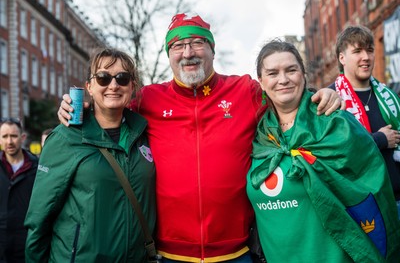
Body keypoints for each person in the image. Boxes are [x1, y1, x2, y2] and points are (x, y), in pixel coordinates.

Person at [58, 13, 342, 262]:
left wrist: (320, 93)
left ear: (212, 50)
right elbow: (110, 106)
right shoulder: (148, 99)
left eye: (197, 43)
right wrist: (79, 105)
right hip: (169, 254)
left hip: (236, 252)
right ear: (169, 54)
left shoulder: (244, 91)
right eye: (178, 46)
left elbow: (285, 94)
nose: (188, 52)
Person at [247, 39, 400, 262]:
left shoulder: (335, 121)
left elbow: (371, 181)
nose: (283, 79)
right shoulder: (258, 134)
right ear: (261, 81)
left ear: (303, 74)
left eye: (291, 70)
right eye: (272, 73)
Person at [24, 48, 156, 262]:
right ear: (89, 86)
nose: (113, 85)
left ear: (132, 86)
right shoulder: (65, 137)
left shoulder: (144, 134)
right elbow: (39, 217)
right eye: (103, 78)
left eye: (122, 78)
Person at [328, 25, 400, 217]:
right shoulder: (331, 99)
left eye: (369, 50)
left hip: (397, 199)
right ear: (342, 58)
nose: (366, 57)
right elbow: (336, 151)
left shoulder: (389, 97)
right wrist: (380, 139)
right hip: (362, 207)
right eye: (357, 51)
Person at [0, 118, 38, 263]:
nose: (9, 141)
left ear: (22, 138)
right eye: (4, 136)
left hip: (26, 242)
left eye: (14, 136)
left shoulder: (37, 168)